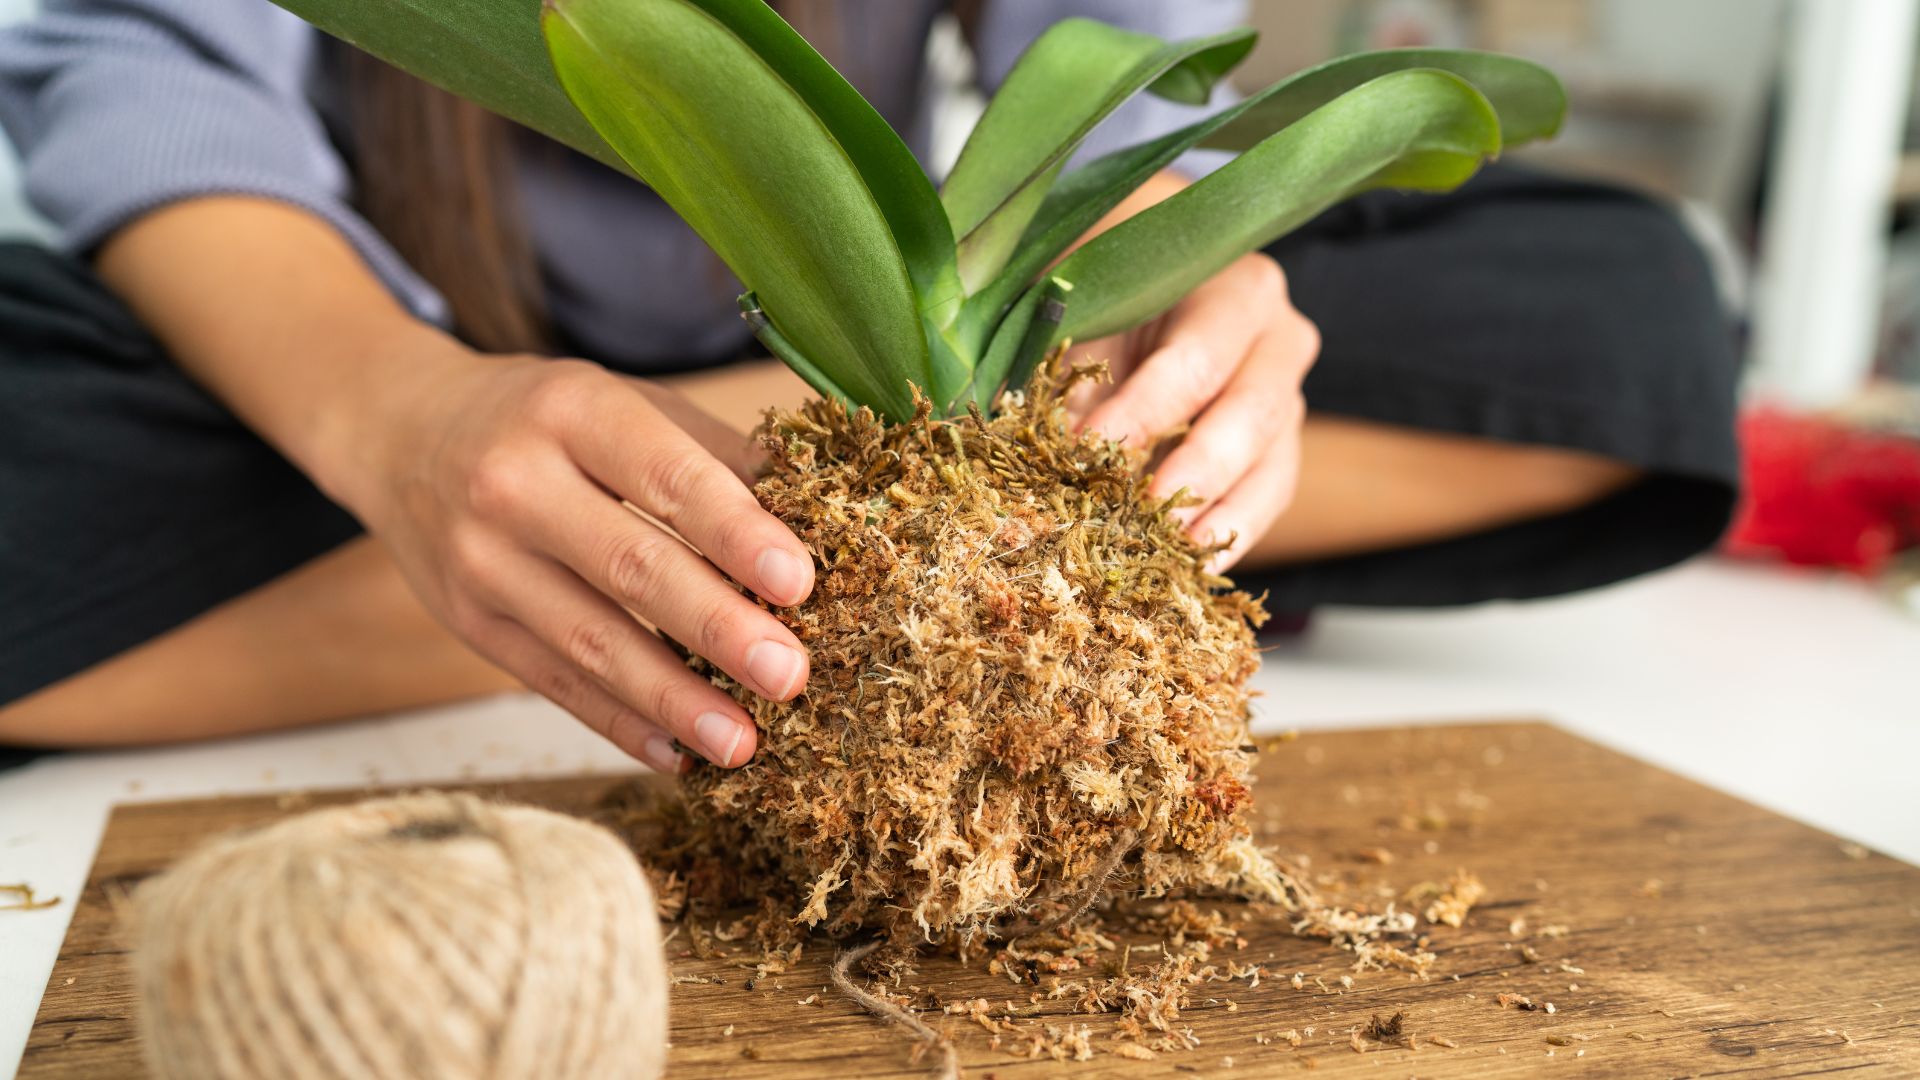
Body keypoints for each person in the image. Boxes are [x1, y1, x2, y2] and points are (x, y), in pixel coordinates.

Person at [0, 0, 1740, 772]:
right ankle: (929, 553)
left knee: (1625, 300)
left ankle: (814, 531)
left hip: (881, 350)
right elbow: (148, 75)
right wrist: (398, 422)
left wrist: (1163, 276)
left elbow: (1131, 73)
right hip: (374, 355)